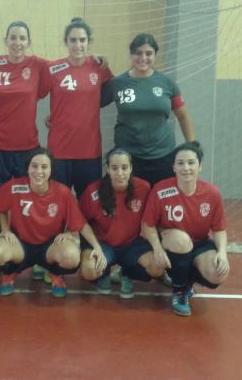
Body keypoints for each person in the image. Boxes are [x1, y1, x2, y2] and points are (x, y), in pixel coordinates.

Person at [0, 148, 106, 298]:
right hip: (20, 245)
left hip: (50, 247)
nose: (39, 171)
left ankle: (55, 274)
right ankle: (10, 273)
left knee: (71, 257)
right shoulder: (16, 186)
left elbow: (82, 225)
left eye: (44, 167)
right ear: (27, 168)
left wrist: (97, 247)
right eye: (34, 166)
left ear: (51, 170)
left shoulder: (63, 192)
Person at [127, 141, 230, 316]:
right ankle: (180, 291)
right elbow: (148, 225)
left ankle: (186, 279)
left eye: (191, 163)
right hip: (172, 242)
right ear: (173, 167)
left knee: (217, 273)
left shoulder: (212, 193)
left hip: (199, 243)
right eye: (180, 163)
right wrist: (158, 249)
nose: (186, 168)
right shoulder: (161, 189)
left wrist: (222, 253)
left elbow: (219, 229)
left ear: (200, 166)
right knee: (181, 241)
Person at [102, 33, 195, 187]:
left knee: (161, 203)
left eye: (148, 53)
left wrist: (193, 147)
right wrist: (58, 117)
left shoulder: (167, 83)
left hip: (163, 155)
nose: (143, 58)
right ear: (131, 55)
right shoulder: (117, 83)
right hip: (128, 158)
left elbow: (183, 116)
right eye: (138, 53)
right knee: (133, 205)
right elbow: (90, 103)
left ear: (155, 55)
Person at [40, 18, 113, 198]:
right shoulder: (53, 69)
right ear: (66, 42)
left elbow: (114, 91)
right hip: (59, 150)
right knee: (57, 201)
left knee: (89, 203)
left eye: (82, 40)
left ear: (89, 42)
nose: (78, 45)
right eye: (73, 40)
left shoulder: (99, 67)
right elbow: (29, 95)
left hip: (89, 150)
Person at [0, 21, 48, 186]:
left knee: (26, 195)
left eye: (22, 38)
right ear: (6, 41)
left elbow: (67, 67)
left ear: (28, 42)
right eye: (13, 38)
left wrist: (93, 59)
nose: (17, 43)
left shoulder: (38, 65)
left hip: (28, 145)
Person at [78, 148, 150, 299]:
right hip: (104, 245)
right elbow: (80, 221)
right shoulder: (93, 192)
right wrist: (96, 247)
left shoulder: (144, 188)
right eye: (114, 168)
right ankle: (104, 273)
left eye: (124, 168)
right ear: (108, 169)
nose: (120, 173)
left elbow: (153, 219)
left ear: (131, 168)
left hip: (132, 245)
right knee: (88, 271)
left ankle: (127, 273)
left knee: (156, 266)